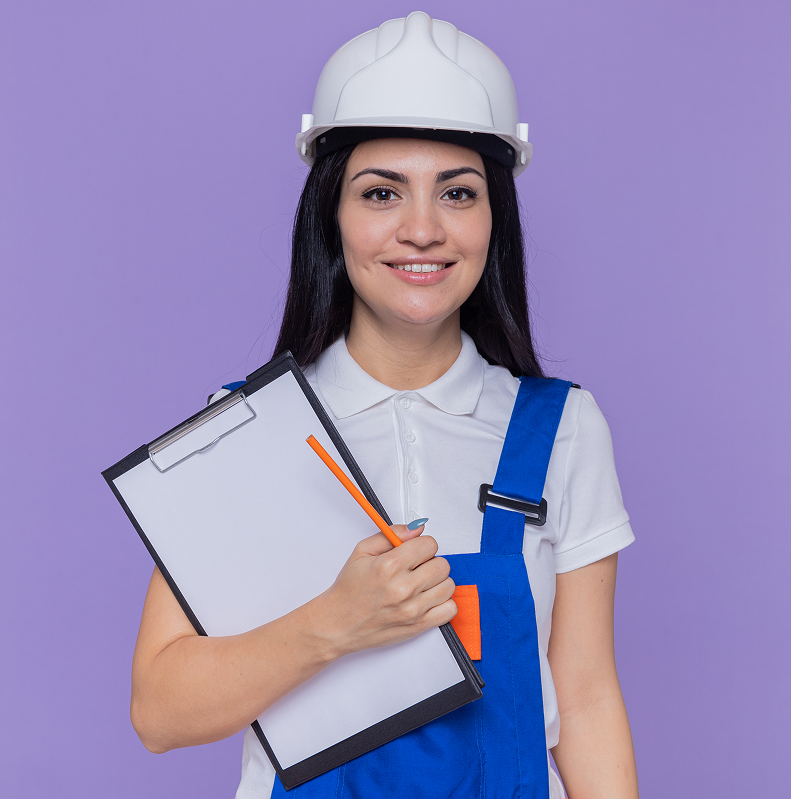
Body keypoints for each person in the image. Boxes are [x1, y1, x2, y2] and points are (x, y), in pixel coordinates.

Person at [130, 12, 639, 799]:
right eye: (381, 193)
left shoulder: (561, 429)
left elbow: (587, 699)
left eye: (458, 193)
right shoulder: (249, 429)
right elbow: (160, 712)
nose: (423, 229)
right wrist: (334, 623)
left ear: (493, 218)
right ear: (331, 217)